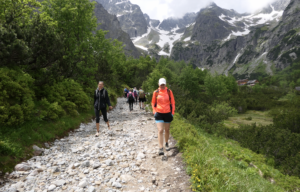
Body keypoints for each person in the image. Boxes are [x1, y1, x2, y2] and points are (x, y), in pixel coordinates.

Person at [151, 78, 175, 156]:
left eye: (163, 84)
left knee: (167, 130)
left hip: (168, 113)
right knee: (160, 130)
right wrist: (154, 112)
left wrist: (172, 113)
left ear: (165, 84)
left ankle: (166, 143)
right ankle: (161, 148)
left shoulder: (169, 92)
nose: (162, 86)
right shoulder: (156, 92)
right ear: (159, 84)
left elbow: (173, 103)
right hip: (159, 113)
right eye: (161, 84)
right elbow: (153, 103)